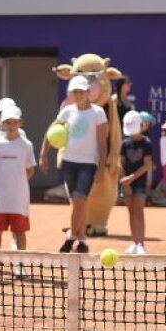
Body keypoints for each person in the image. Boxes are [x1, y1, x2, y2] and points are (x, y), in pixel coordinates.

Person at [42, 75, 108, 254]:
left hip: (88, 163)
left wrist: (101, 167)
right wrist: (43, 155)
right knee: (79, 203)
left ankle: (71, 237)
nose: (79, 94)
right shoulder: (67, 111)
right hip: (69, 162)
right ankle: (83, 240)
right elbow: (51, 131)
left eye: (81, 91)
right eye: (75, 91)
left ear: (88, 92)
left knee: (79, 199)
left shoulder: (98, 113)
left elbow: (102, 142)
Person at [0, 105, 36, 262]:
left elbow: (30, 170)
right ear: (3, 124)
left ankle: (20, 264)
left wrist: (18, 183)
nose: (12, 125)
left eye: (15, 122)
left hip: (18, 199)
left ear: (20, 123)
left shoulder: (26, 145)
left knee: (20, 232)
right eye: (8, 122)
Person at [119, 110, 153, 254]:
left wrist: (130, 179)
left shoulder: (147, 143)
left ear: (141, 125)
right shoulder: (124, 144)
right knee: (131, 213)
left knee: (139, 212)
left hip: (139, 183)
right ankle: (134, 243)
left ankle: (141, 244)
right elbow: (120, 164)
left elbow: (147, 165)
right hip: (126, 183)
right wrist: (124, 182)